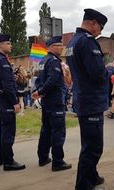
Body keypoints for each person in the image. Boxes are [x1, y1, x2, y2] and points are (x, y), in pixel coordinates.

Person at [66, 8, 108, 190]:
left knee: (89, 142)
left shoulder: (73, 41)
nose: (100, 31)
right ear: (92, 23)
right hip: (91, 99)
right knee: (93, 146)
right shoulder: (87, 42)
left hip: (84, 97)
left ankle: (91, 176)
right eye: (100, 26)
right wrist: (108, 71)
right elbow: (98, 73)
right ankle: (83, 187)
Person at [32, 36, 72, 172]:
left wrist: (38, 91)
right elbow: (53, 80)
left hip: (47, 102)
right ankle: (58, 161)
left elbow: (38, 79)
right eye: (59, 45)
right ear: (51, 47)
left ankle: (43, 157)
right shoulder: (54, 61)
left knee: (46, 130)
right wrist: (41, 92)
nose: (62, 48)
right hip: (55, 101)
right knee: (58, 132)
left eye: (62, 45)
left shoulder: (43, 60)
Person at [0, 34, 26, 171]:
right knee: (8, 130)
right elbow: (7, 85)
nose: (11, 45)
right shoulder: (2, 60)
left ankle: (0, 158)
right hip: (5, 99)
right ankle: (8, 161)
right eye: (8, 43)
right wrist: (15, 102)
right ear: (0, 45)